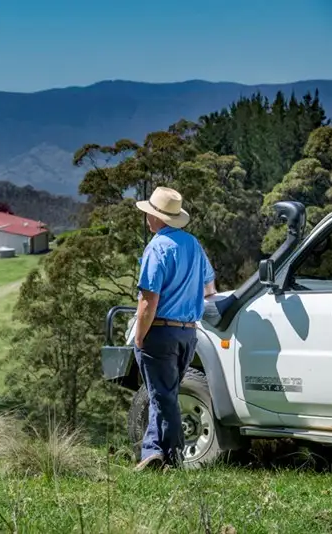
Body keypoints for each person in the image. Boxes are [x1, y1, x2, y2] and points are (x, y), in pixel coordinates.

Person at [132, 186, 217, 471]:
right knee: (164, 391)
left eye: (149, 214)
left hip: (161, 331)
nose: (147, 218)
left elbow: (148, 299)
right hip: (188, 333)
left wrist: (140, 334)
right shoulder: (193, 244)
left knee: (163, 395)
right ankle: (152, 453)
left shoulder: (157, 247)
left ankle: (173, 456)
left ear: (157, 218)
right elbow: (209, 287)